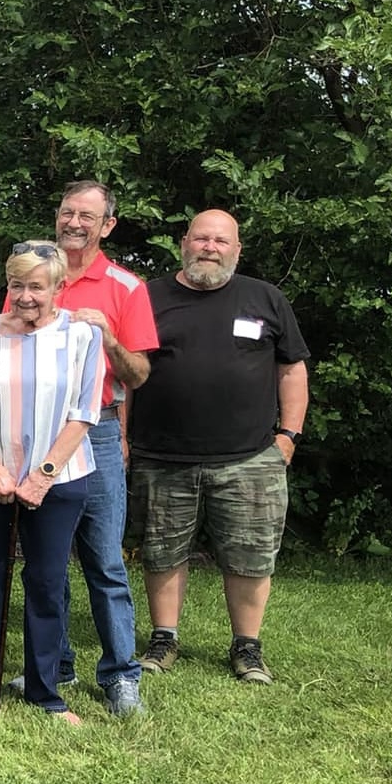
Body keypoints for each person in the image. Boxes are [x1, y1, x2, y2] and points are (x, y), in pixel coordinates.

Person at [0, 179, 156, 712]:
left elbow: (140, 374)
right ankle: (58, 668)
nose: (75, 222)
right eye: (67, 212)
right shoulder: (28, 273)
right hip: (20, 429)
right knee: (47, 559)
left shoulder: (125, 286)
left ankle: (121, 674)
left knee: (102, 558)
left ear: (108, 225)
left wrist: (110, 338)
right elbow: (4, 342)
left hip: (88, 426)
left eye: (87, 216)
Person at [131, 210, 310, 685]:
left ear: (237, 249)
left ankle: (247, 647)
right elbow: (126, 375)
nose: (210, 247)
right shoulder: (147, 297)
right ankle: (164, 637)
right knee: (162, 552)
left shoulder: (265, 298)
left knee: (251, 556)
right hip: (161, 455)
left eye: (221, 241)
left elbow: (292, 369)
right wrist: (126, 439)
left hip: (250, 458)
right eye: (201, 238)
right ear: (183, 242)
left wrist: (287, 437)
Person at [0, 242, 104, 725]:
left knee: (46, 582)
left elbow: (85, 411)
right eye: (16, 285)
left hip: (58, 479)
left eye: (36, 286)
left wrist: (43, 476)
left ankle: (45, 690)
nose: (24, 296)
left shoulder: (81, 335)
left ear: (59, 287)